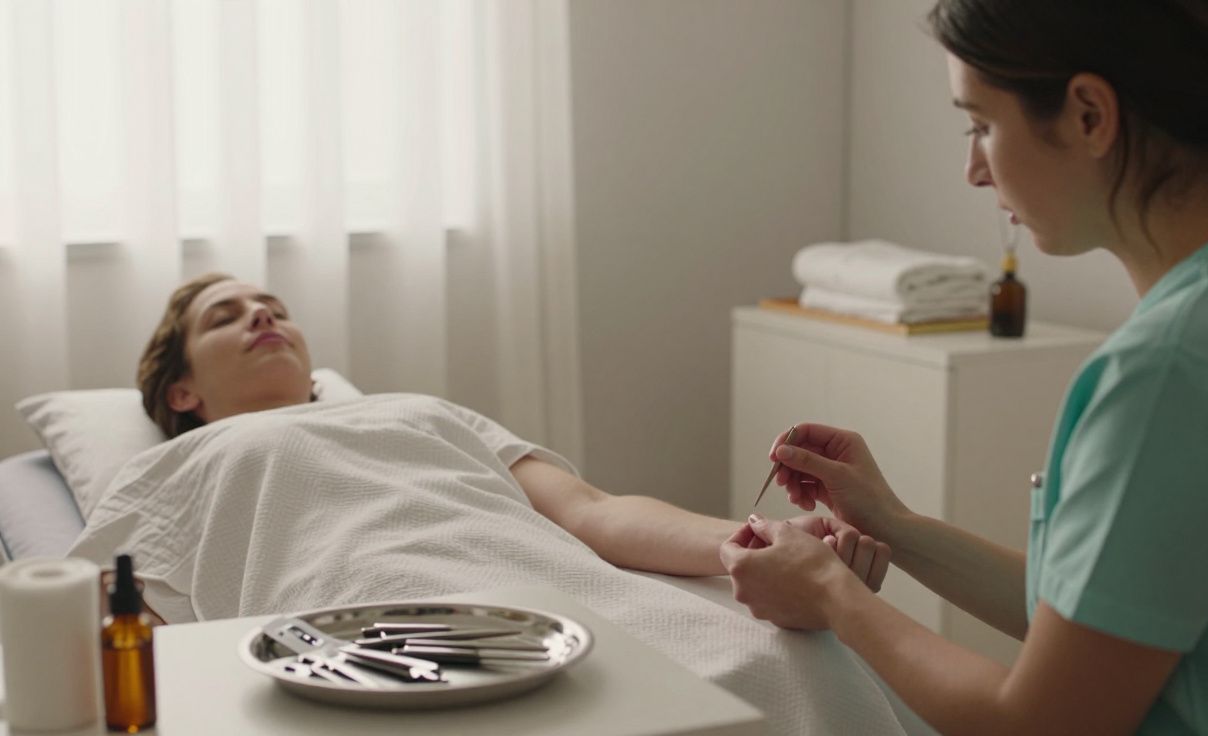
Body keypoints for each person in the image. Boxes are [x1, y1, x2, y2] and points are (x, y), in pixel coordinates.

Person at [720, 1, 1208, 734]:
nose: (972, 170)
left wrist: (833, 598)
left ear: (1090, 115)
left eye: (981, 125)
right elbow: (1097, 624)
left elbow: (1038, 721)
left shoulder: (1172, 373)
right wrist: (895, 526)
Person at [67, 272, 905, 734]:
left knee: (795, 663)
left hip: (563, 603)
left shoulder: (417, 410)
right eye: (228, 317)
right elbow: (142, 651)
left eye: (275, 308)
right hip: (366, 644)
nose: (263, 316)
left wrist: (762, 543)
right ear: (180, 390)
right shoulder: (171, 472)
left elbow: (590, 512)